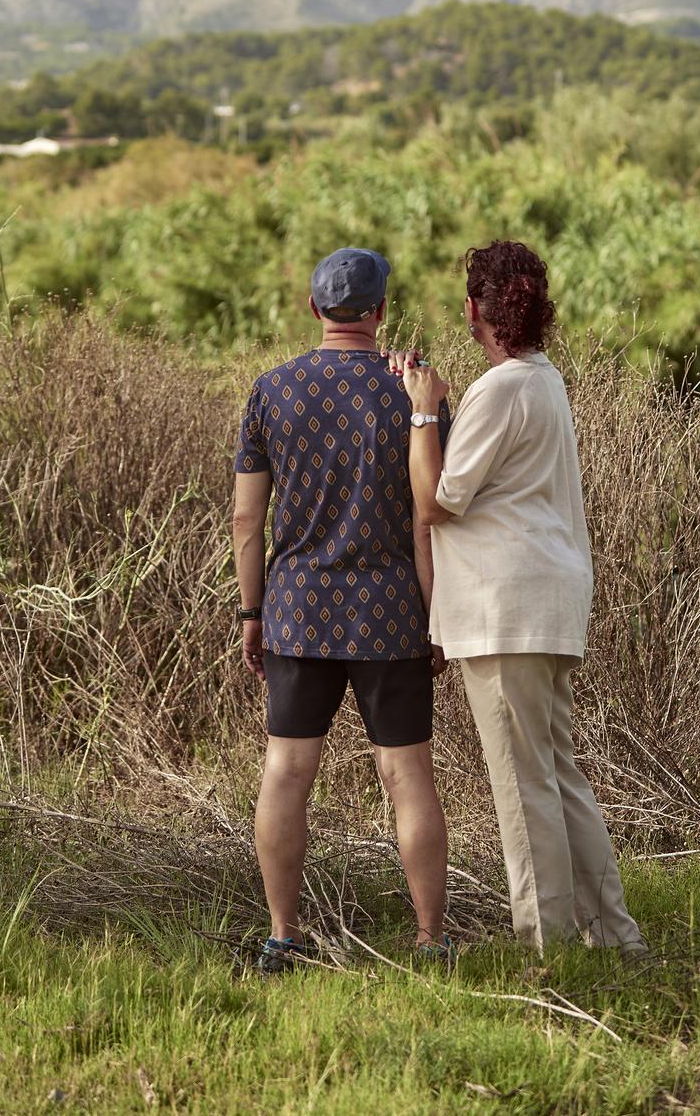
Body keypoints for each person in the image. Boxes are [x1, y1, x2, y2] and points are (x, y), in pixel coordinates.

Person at [398, 239, 647, 958]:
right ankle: (615, 937)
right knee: (559, 777)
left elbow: (440, 500)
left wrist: (423, 413)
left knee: (522, 786)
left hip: (502, 611)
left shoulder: (500, 388)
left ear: (476, 308)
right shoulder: (547, 380)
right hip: (549, 602)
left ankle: (549, 948)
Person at [232, 246, 453, 974]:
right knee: (407, 776)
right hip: (392, 609)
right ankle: (430, 939)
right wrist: (436, 617)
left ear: (312, 306)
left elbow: (246, 520)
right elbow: (428, 519)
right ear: (382, 309)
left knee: (287, 771)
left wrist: (251, 613)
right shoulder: (414, 392)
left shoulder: (272, 390)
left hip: (297, 609)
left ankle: (282, 936)